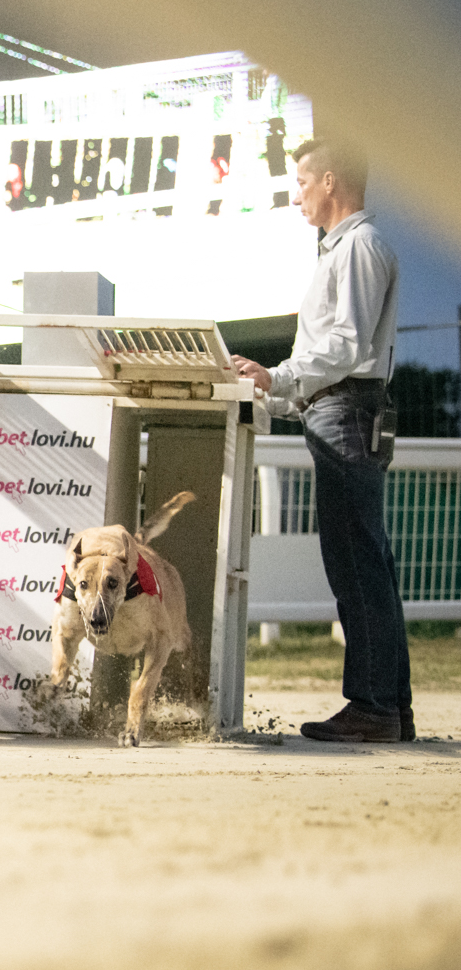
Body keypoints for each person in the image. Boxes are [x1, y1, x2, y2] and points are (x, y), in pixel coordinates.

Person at [232, 139, 410, 743]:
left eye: (301, 182)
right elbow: (332, 363)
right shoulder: (349, 248)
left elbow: (346, 348)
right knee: (368, 564)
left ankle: (374, 707)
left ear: (330, 181)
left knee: (357, 565)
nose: (296, 194)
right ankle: (391, 708)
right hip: (342, 411)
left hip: (347, 415)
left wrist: (278, 378)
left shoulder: (357, 247)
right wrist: (270, 389)